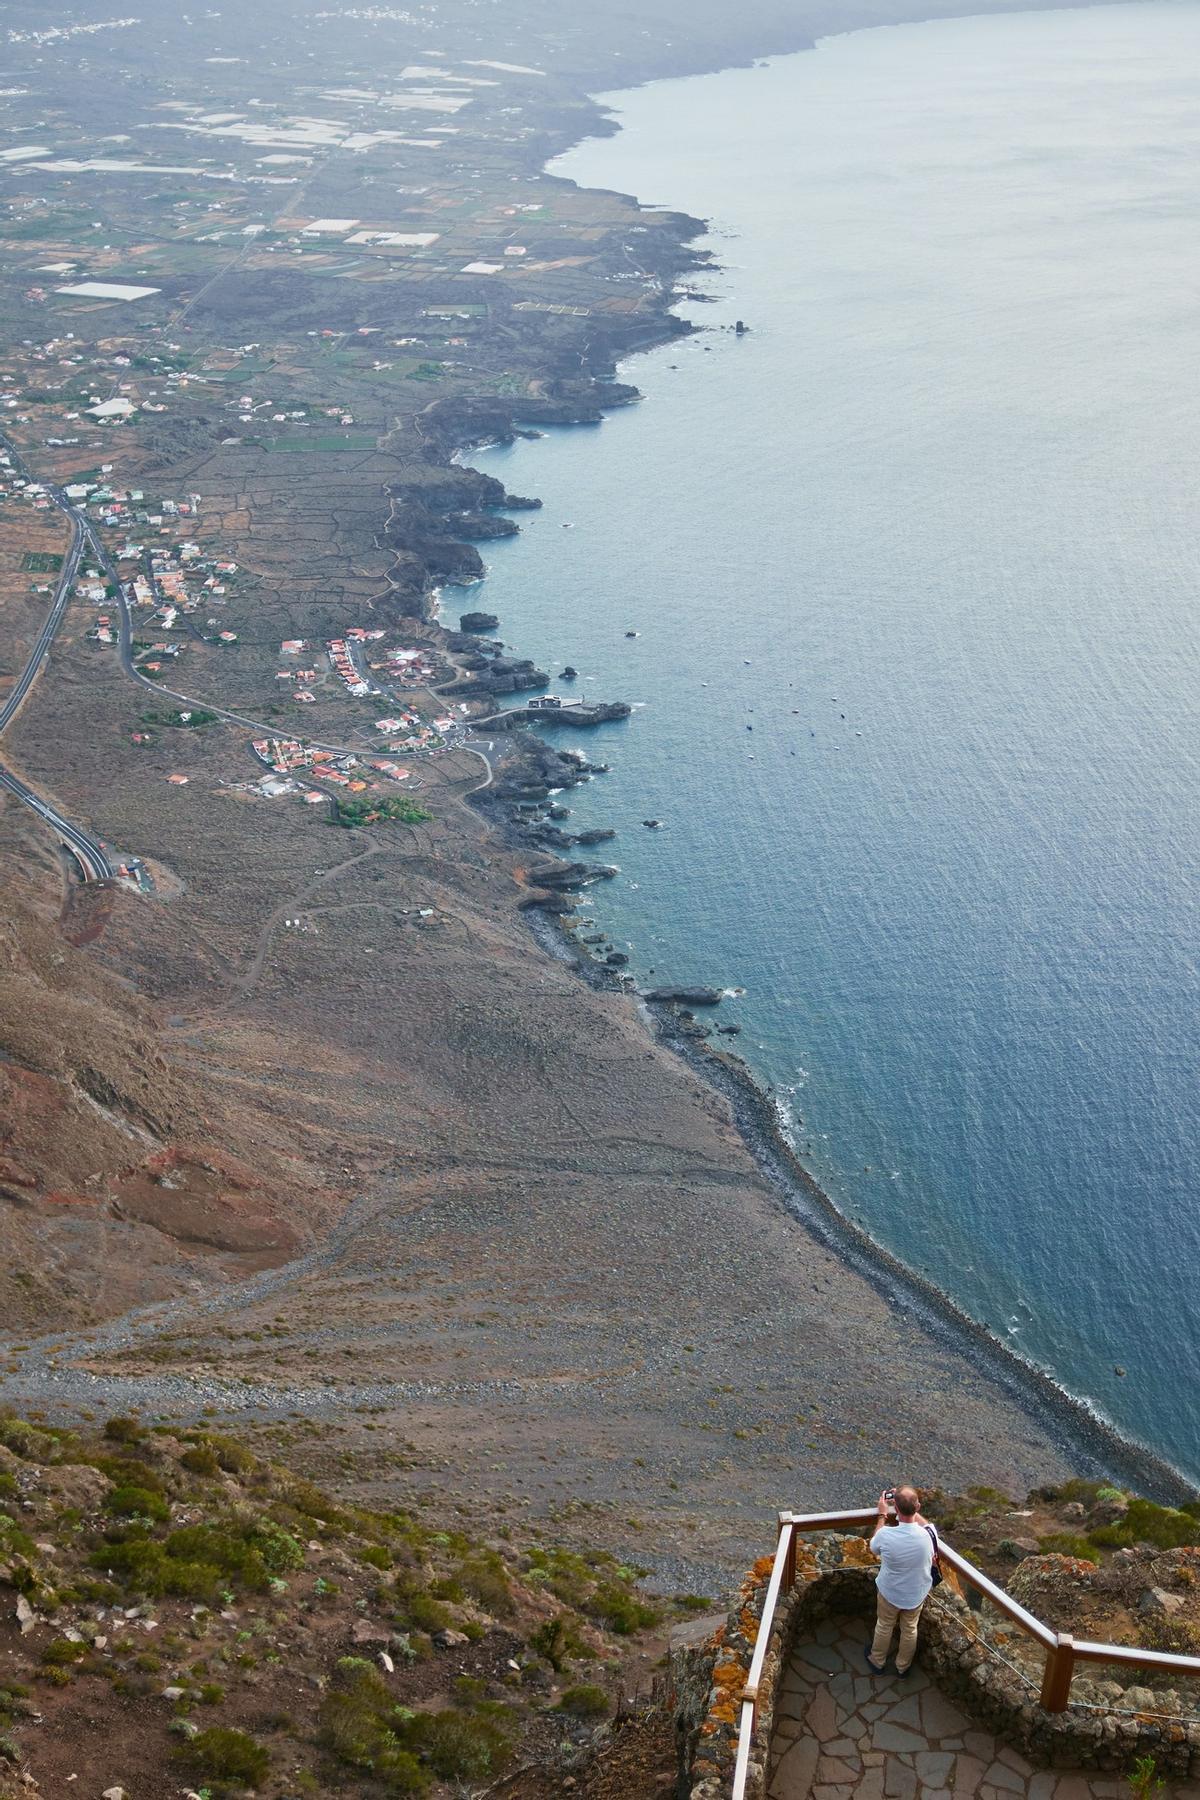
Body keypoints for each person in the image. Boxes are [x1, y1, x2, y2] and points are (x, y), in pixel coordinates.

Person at [865, 1485, 936, 1677]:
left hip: (891, 1592)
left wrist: (882, 1514)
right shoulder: (929, 1534)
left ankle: (877, 1660)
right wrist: (907, 1503)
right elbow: (925, 1524)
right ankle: (902, 1667)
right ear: (918, 1506)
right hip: (916, 1594)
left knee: (884, 1625)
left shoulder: (886, 1534)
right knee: (910, 1629)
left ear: (895, 1509)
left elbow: (873, 1547)